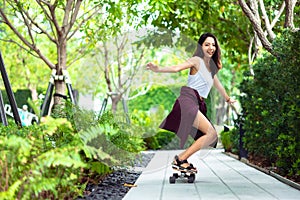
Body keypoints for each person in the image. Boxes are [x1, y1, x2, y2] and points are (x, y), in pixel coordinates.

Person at [146, 32, 236, 173]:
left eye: (213, 45)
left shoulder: (211, 68)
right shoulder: (196, 60)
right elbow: (176, 68)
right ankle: (180, 159)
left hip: (197, 103)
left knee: (210, 137)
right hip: (188, 100)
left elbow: (218, 85)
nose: (211, 47)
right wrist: (158, 69)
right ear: (201, 46)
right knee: (211, 134)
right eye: (207, 44)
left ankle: (182, 159)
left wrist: (228, 99)